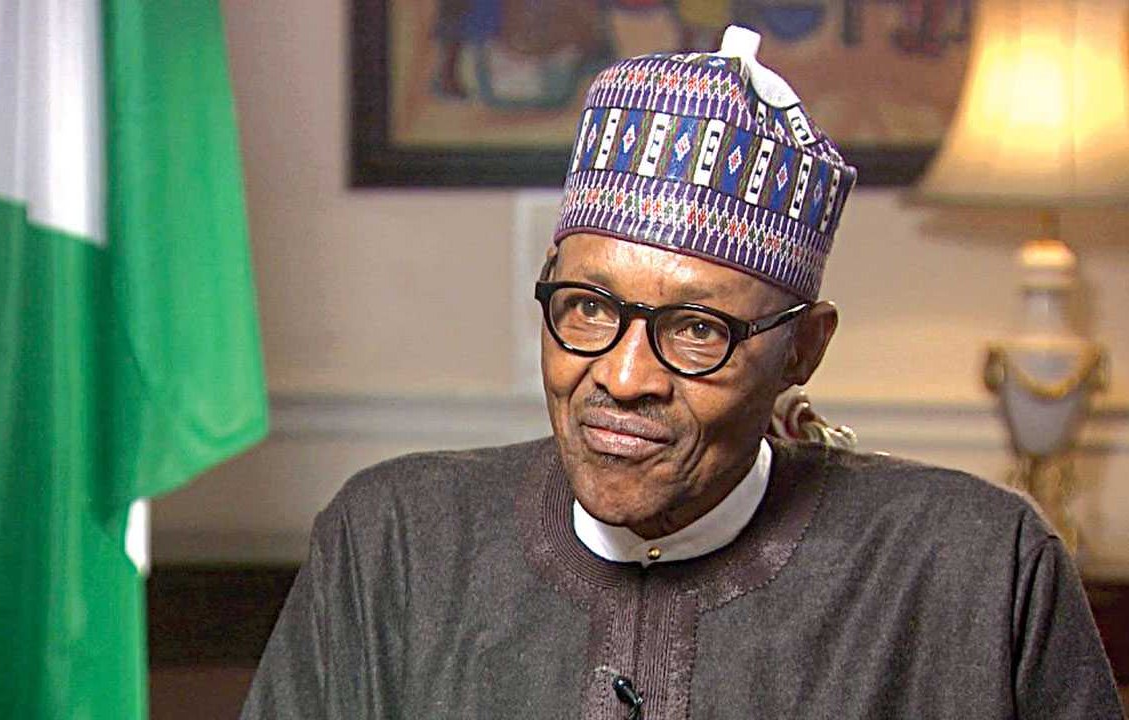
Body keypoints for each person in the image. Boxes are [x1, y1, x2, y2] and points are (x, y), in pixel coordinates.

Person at [241, 27, 1122, 719]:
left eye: (697, 330)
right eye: (588, 307)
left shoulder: (977, 569)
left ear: (803, 349)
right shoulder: (394, 541)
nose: (624, 377)